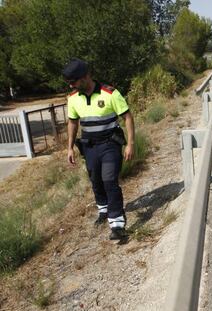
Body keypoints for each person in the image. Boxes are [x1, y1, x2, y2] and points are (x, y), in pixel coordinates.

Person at [63, 58, 135, 240]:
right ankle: (103, 209)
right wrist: (69, 148)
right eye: (69, 83)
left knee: (109, 179)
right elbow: (72, 122)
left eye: (74, 82)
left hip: (110, 144)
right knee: (95, 179)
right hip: (89, 146)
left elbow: (127, 117)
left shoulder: (110, 93)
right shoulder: (73, 99)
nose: (72, 86)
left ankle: (117, 224)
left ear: (86, 76)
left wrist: (130, 144)